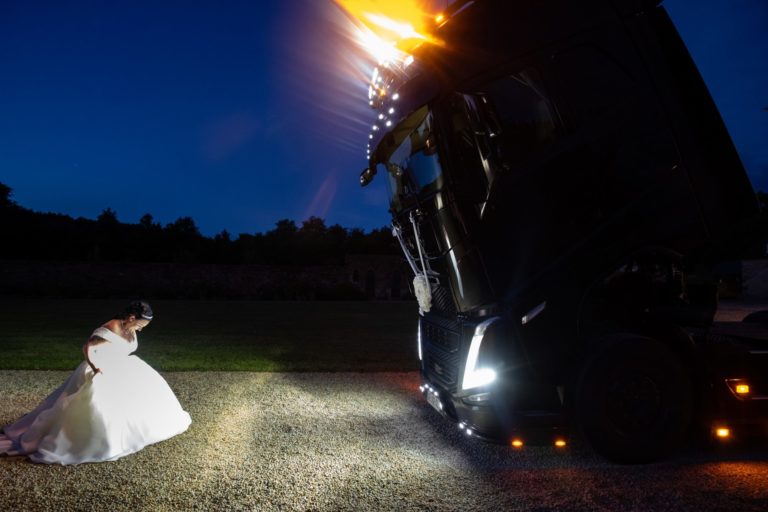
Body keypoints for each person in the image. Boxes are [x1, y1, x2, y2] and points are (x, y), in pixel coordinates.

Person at [0, 301, 191, 464]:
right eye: (140, 324)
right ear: (131, 318)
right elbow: (88, 347)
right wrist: (96, 366)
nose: (141, 329)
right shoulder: (111, 328)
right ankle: (85, 440)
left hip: (123, 365)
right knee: (96, 403)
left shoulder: (130, 328)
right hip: (101, 366)